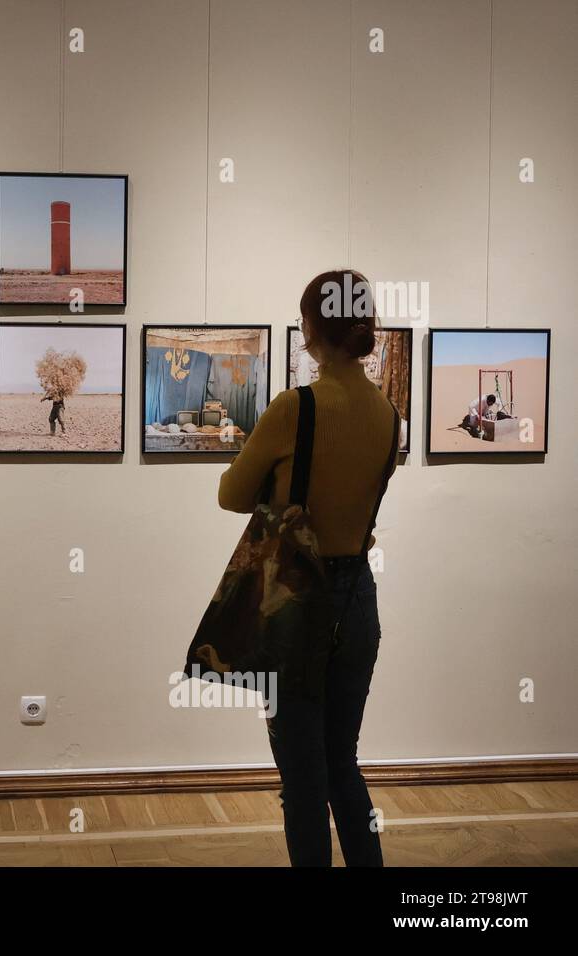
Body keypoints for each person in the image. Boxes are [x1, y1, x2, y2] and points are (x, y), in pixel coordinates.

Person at [217, 269, 398, 867]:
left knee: (301, 775)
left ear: (311, 329)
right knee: (341, 759)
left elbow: (233, 495)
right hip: (358, 602)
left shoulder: (297, 407)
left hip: (298, 604)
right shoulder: (387, 413)